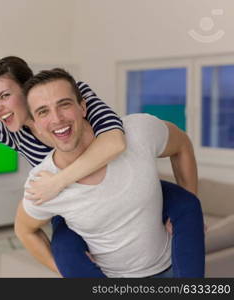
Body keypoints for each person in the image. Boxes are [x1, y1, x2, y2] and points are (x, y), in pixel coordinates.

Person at [0, 34, 204, 277]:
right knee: (64, 250)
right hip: (67, 204)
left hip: (112, 183)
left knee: (187, 204)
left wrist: (59, 181)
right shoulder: (11, 129)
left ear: (29, 90)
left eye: (5, 96)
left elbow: (115, 142)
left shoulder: (78, 97)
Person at [15, 68, 205, 277]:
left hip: (170, 269)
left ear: (83, 107)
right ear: (36, 126)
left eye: (64, 104)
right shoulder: (42, 183)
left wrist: (188, 213)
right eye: (43, 112)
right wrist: (63, 270)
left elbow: (182, 144)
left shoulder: (138, 131)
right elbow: (24, 230)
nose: (57, 118)